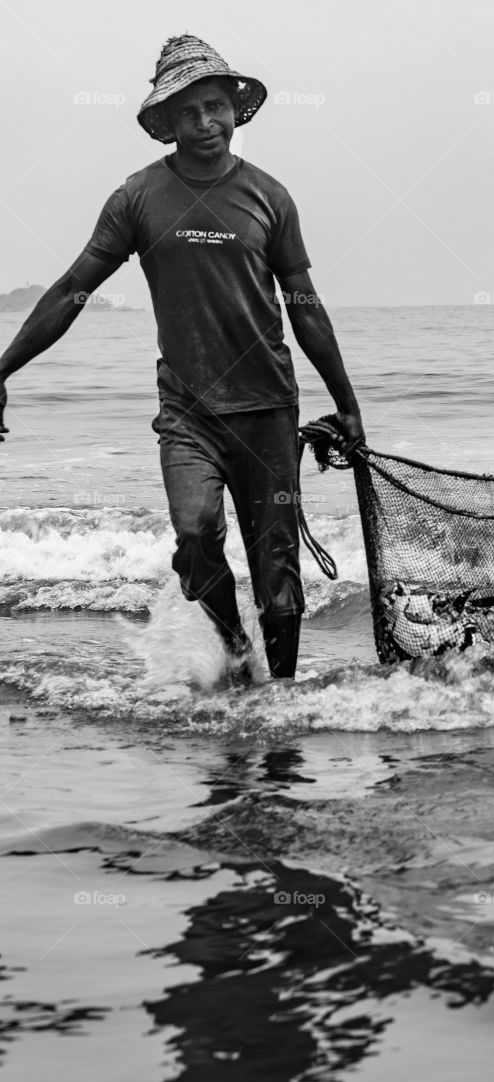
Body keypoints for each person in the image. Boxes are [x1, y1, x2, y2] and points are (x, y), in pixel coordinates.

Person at [0, 35, 364, 680]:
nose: (205, 123)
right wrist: (1, 369)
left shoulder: (269, 197)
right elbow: (71, 289)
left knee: (277, 573)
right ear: (166, 121)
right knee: (195, 536)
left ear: (234, 111)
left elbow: (304, 304)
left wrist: (347, 406)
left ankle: (279, 698)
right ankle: (236, 648)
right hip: (188, 413)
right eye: (189, 112)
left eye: (216, 106)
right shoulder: (137, 198)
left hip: (269, 412)